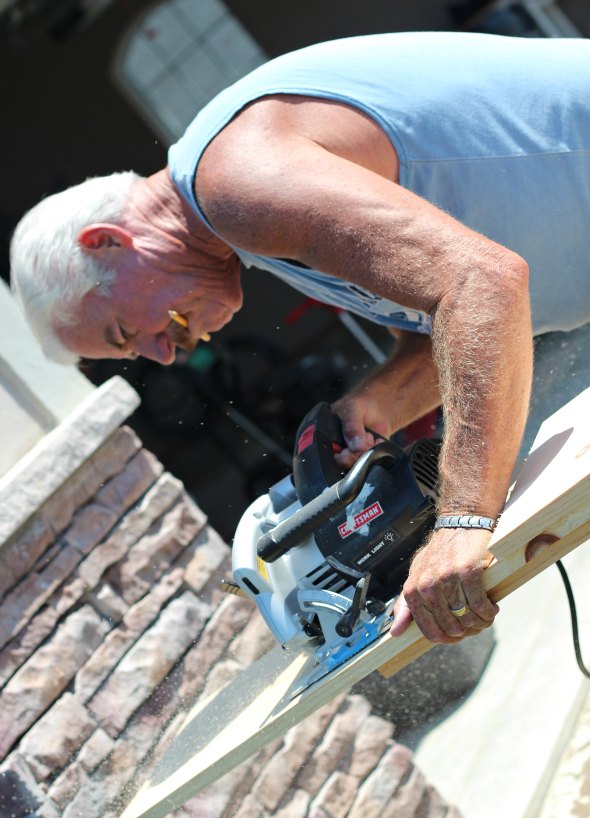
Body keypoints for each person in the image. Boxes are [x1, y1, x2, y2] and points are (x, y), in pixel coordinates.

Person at [10, 31, 590, 646]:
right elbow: (449, 317)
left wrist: (463, 523)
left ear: (107, 242)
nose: (161, 354)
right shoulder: (246, 224)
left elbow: (483, 284)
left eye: (125, 332)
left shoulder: (234, 183)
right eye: (134, 354)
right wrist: (382, 402)